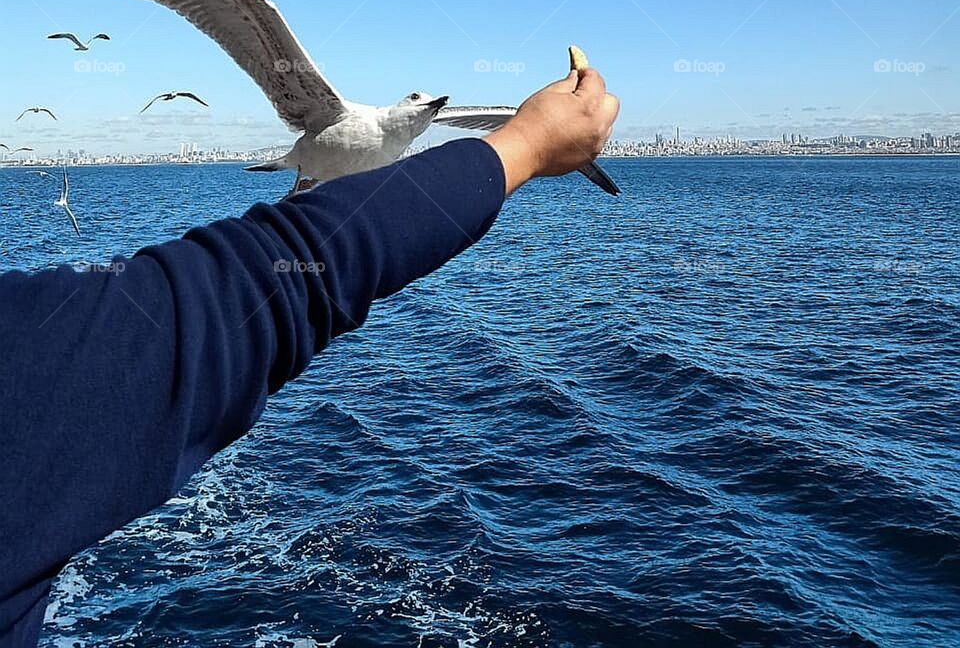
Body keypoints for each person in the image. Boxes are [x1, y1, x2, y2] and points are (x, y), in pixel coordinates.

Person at [0, 64, 618, 647]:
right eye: (417, 103)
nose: (427, 110)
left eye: (430, 110)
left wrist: (529, 142)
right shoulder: (31, 357)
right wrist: (531, 145)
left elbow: (256, 282)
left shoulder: (28, 342)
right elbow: (270, 282)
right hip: (315, 175)